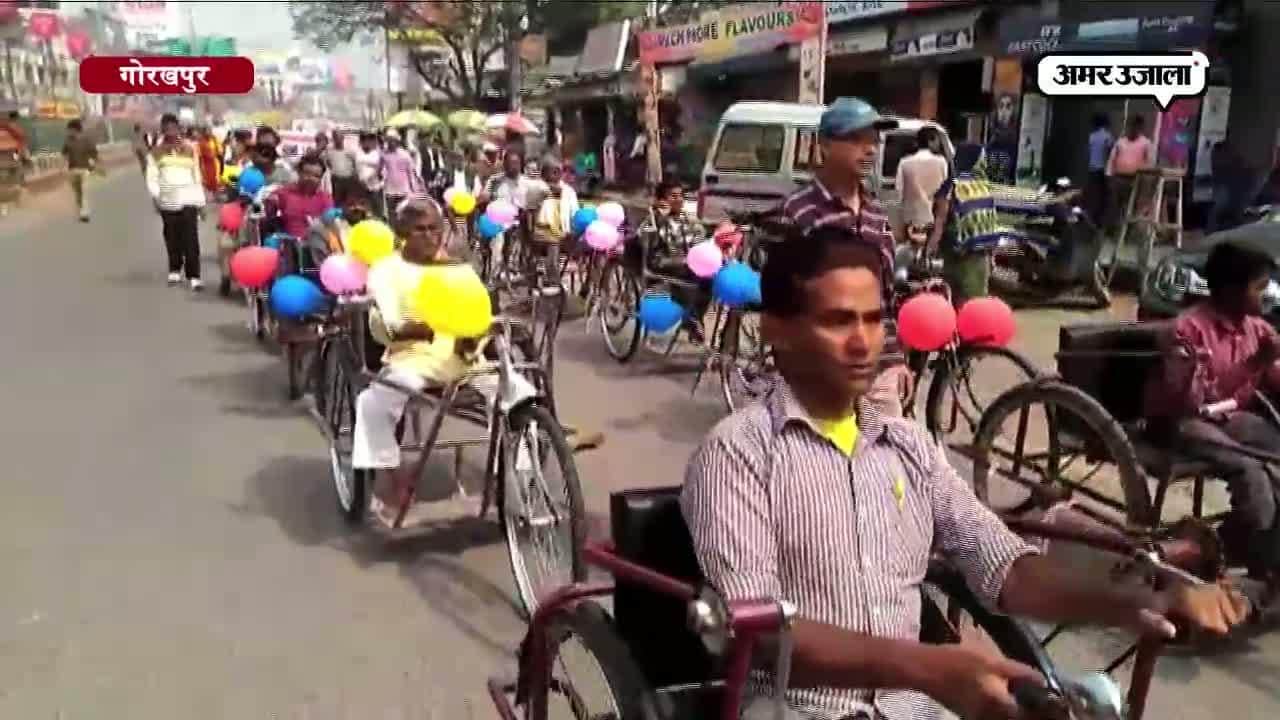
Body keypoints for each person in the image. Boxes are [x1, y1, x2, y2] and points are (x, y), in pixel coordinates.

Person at [681, 225, 1247, 720]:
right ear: (778, 331)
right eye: (837, 321)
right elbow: (752, 634)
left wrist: (1139, 601)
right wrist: (929, 667)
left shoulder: (907, 445)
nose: (863, 343)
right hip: (794, 707)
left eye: (875, 320)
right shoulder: (738, 453)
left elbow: (1004, 567)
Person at [351, 198, 536, 528]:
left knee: (522, 396)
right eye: (419, 229)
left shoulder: (458, 269)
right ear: (403, 232)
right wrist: (424, 324)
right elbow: (388, 323)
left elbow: (477, 312)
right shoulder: (387, 270)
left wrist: (479, 331)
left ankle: (515, 485)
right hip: (413, 357)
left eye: (435, 229)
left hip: (466, 359)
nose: (429, 236)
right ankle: (390, 479)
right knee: (373, 403)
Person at [1146, 241, 1280, 587]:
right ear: (1232, 290)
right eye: (1259, 287)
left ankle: (1256, 543)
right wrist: (1254, 364)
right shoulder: (1186, 330)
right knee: (1250, 470)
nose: (1265, 296)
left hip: (1235, 419)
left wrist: (1270, 365)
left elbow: (1273, 377)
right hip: (1185, 422)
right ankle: (1250, 557)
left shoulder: (1258, 328)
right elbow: (1192, 400)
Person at [781, 97, 908, 418]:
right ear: (825, 146)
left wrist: (895, 362)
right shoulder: (799, 212)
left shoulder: (877, 215)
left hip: (877, 375)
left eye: (874, 140)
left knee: (887, 460)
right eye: (856, 139)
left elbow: (885, 296)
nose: (870, 150)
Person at [927, 142, 1005, 308]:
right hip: (980, 257)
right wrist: (992, 256)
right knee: (975, 303)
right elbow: (992, 224)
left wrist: (930, 249)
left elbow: (939, 222)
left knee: (951, 298)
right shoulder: (985, 187)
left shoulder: (951, 186)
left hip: (954, 251)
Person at [638, 180, 711, 341]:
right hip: (662, 262)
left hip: (688, 261)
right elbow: (644, 240)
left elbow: (700, 240)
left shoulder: (689, 219)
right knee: (694, 274)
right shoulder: (653, 219)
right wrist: (660, 219)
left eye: (680, 196)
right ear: (661, 200)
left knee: (710, 277)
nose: (678, 200)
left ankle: (694, 317)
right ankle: (692, 318)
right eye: (673, 196)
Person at [146, 113, 206, 289]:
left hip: (189, 198)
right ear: (163, 130)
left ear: (179, 129)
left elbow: (196, 176)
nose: (171, 131)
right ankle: (174, 270)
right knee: (172, 237)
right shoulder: (156, 152)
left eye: (174, 127)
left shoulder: (189, 149)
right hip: (168, 199)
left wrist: (200, 202)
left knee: (191, 239)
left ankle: (194, 276)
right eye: (167, 128)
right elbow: (152, 176)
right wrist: (156, 196)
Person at [530, 155, 579, 292]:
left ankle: (556, 282)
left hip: (563, 235)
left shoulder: (569, 192)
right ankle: (553, 282)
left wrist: (572, 232)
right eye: (553, 171)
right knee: (551, 243)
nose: (557, 174)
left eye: (559, 171)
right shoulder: (537, 189)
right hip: (541, 234)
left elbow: (575, 214)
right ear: (544, 174)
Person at [894, 126, 949, 240]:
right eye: (937, 140)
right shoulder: (941, 162)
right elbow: (945, 190)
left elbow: (899, 190)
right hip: (932, 216)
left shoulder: (905, 162)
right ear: (931, 140)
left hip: (911, 217)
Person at [1106, 115, 1155, 235]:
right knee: (1114, 205)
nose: (1133, 129)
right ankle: (1111, 230)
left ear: (1141, 128)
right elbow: (1112, 159)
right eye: (1131, 126)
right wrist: (1109, 175)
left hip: (1136, 179)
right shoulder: (1120, 142)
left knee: (1131, 207)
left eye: (1136, 127)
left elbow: (1150, 162)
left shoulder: (1146, 143)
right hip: (1118, 178)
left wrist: (1143, 176)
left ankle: (1128, 232)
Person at [266, 153, 333, 241]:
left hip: (314, 246)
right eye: (307, 174)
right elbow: (260, 211)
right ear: (299, 172)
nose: (311, 179)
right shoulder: (283, 193)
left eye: (316, 176)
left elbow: (331, 226)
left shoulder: (325, 199)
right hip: (288, 244)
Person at [380, 129, 423, 218]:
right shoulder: (384, 155)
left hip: (404, 190)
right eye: (389, 139)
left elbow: (410, 173)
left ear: (397, 141)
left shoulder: (404, 155)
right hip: (390, 191)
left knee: (404, 215)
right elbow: (381, 170)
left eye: (393, 139)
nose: (391, 142)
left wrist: (414, 189)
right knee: (392, 216)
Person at [62, 119, 98, 223]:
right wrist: (61, 167)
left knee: (85, 191)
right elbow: (64, 154)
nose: (68, 131)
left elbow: (94, 153)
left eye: (70, 129)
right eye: (68, 130)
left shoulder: (86, 140)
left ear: (75, 129)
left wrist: (95, 163)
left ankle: (85, 213)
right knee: (78, 193)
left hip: (84, 169)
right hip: (72, 170)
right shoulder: (67, 141)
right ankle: (80, 211)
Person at [1085, 113, 1113, 225]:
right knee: (1103, 198)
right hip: (1102, 171)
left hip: (1092, 170)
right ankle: (1098, 222)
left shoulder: (1091, 136)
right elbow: (1111, 153)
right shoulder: (1107, 136)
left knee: (1093, 196)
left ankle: (1091, 220)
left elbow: (1089, 152)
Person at [355, 132, 385, 216]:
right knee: (365, 209)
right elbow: (357, 168)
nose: (366, 142)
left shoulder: (376, 153)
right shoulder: (358, 152)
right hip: (362, 185)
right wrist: (361, 181)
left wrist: (370, 179)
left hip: (375, 185)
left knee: (377, 208)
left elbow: (379, 168)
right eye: (363, 140)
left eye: (368, 140)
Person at [196, 126, 222, 198]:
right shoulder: (201, 141)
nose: (209, 132)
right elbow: (199, 155)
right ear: (204, 132)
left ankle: (216, 196)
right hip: (206, 164)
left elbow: (219, 152)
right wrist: (199, 166)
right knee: (207, 180)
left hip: (215, 162)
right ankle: (208, 197)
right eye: (207, 131)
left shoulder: (215, 139)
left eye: (210, 131)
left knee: (216, 179)